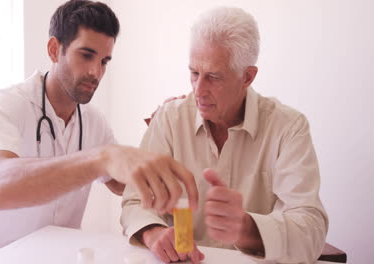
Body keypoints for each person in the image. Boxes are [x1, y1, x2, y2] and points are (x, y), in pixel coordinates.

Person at [0, 1, 198, 263]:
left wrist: (158, 134)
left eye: (104, 61)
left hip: (56, 256)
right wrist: (100, 158)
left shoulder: (92, 120)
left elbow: (125, 184)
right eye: (86, 55)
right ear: (54, 50)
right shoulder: (4, 105)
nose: (95, 72)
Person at [121, 6, 328, 264]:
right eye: (194, 73)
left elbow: (311, 229)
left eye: (214, 77)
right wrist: (153, 233)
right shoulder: (169, 120)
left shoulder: (288, 127)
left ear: (247, 77)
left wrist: (248, 228)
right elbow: (133, 201)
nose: (198, 90)